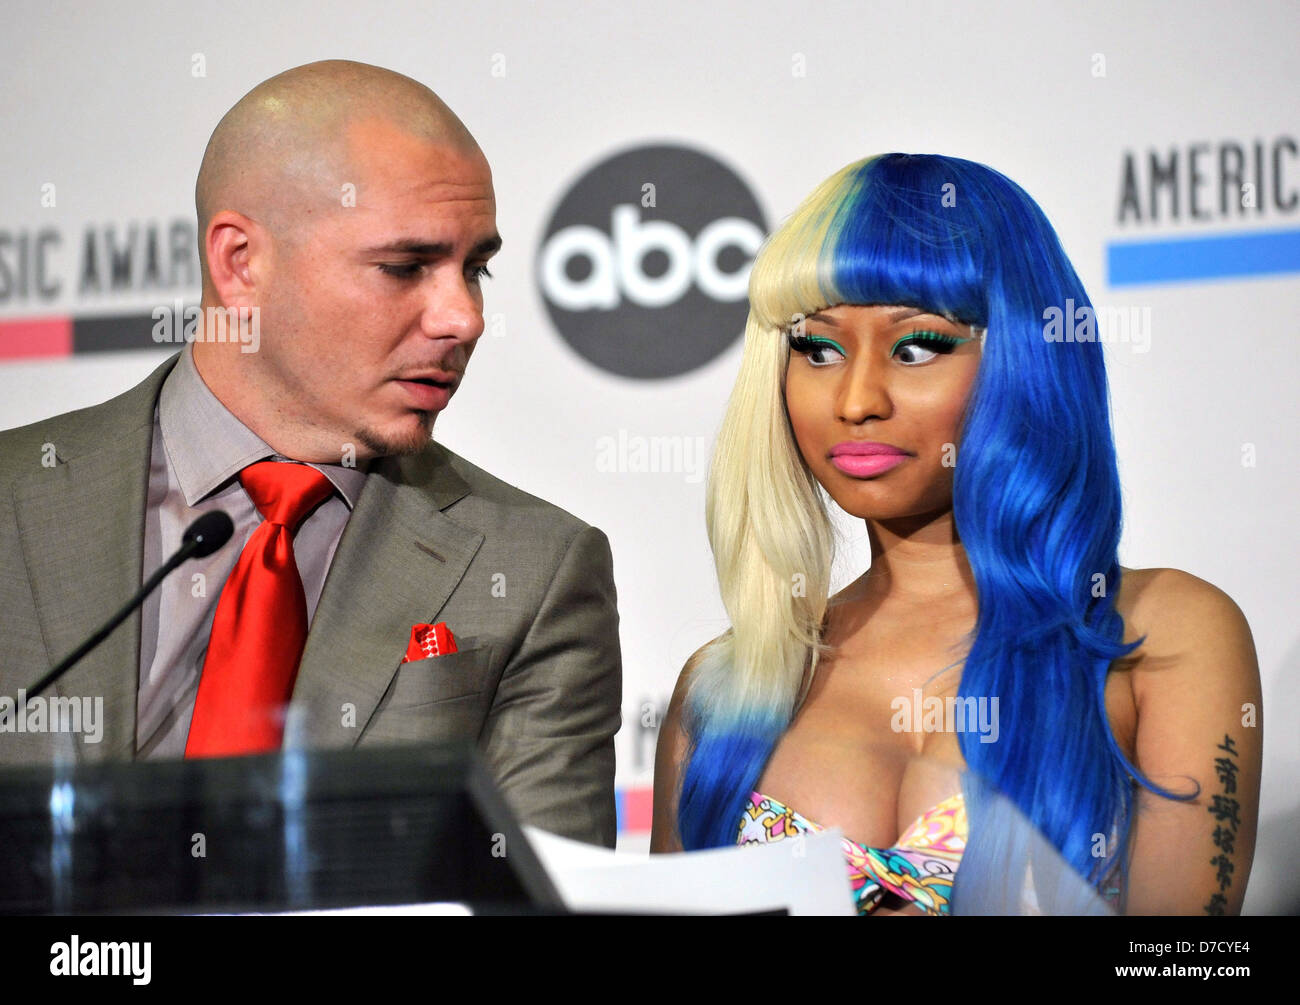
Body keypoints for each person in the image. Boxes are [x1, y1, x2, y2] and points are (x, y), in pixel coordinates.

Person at [0, 60, 622, 848]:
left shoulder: (534, 570)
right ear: (240, 263)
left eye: (475, 269)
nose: (464, 316)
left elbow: (539, 897)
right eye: (406, 266)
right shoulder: (14, 499)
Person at [651, 153, 1262, 913]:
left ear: (1024, 358)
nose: (856, 399)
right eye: (817, 348)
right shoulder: (724, 687)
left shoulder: (1162, 634)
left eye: (918, 347)